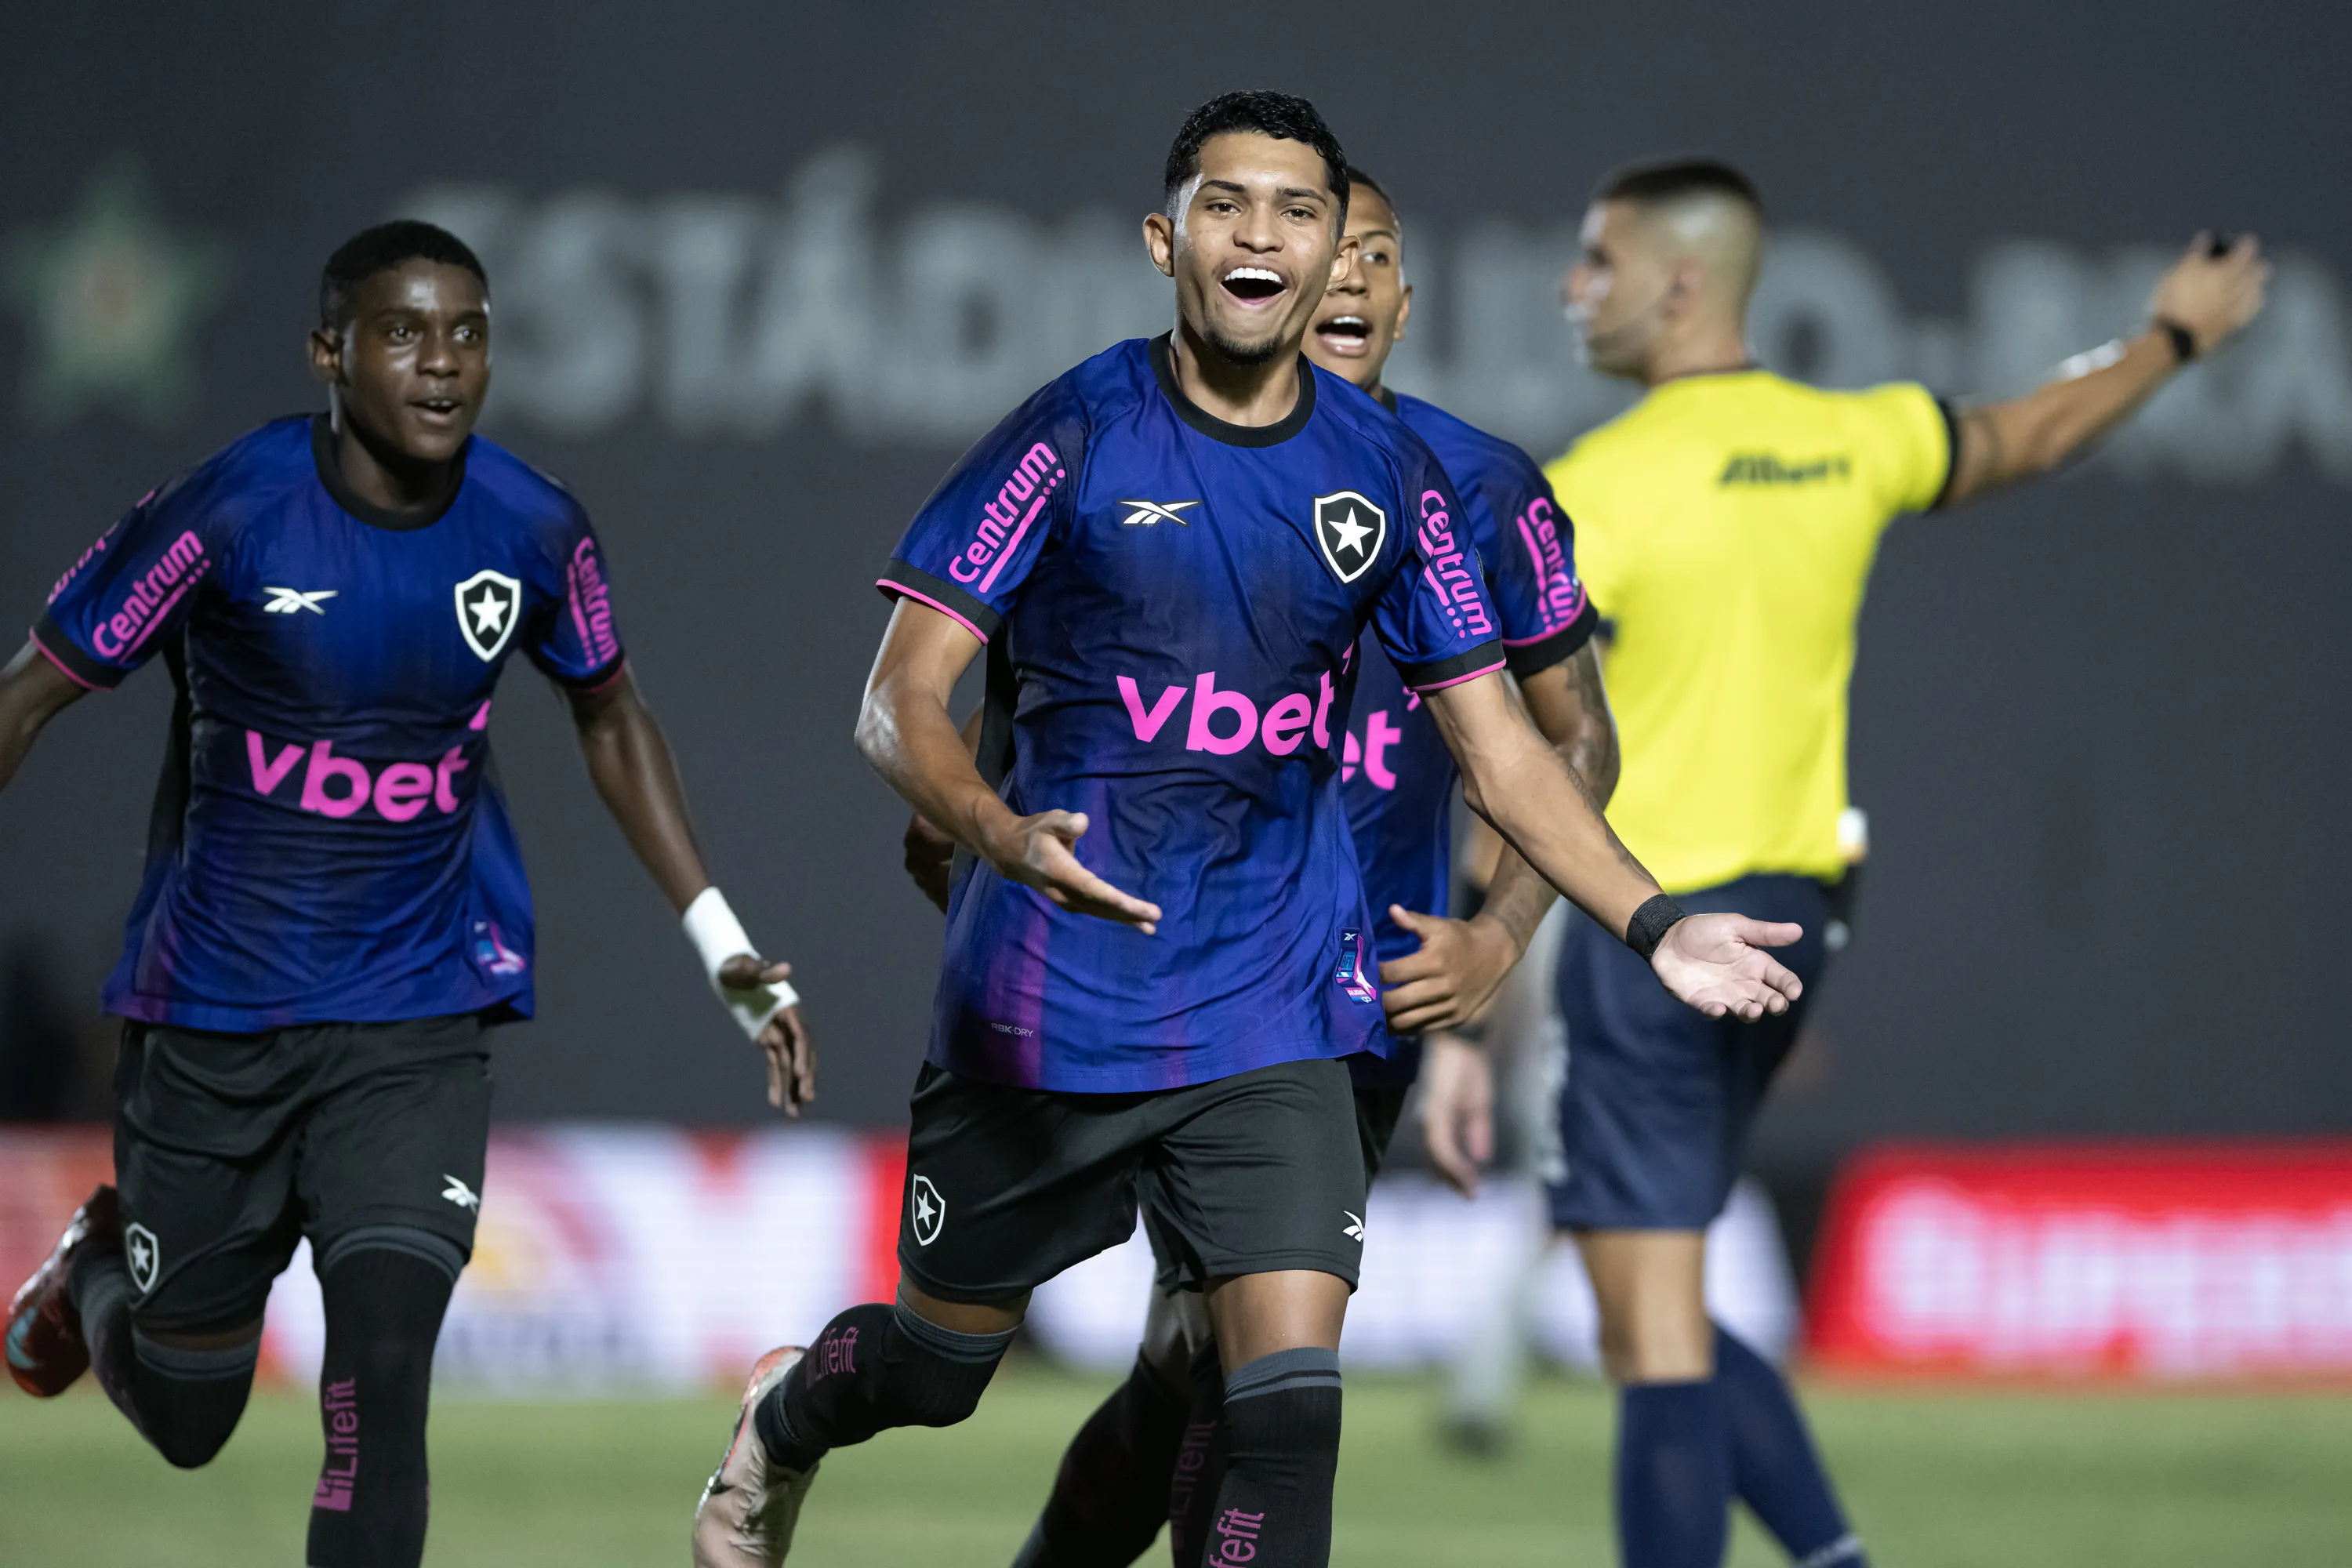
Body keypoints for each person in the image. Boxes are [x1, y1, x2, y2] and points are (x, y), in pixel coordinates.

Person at [690, 95, 1805, 1568]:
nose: (1264, 238)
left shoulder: (1399, 480)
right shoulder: (1075, 431)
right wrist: (991, 826)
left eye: (1300, 213)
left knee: (1278, 1408)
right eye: (1227, 206)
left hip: (1279, 1004)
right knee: (938, 1368)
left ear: (1347, 254)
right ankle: (786, 1416)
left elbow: (1509, 752)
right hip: (1054, 996)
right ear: (1168, 242)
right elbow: (898, 702)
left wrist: (1652, 922)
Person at [1420, 158, 2269, 1568]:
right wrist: (2171, 338)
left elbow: (1516, 760)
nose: (1573, 287)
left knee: (1651, 1333)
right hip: (1798, 922)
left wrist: (1469, 997)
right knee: (1655, 1310)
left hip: (1659, 938)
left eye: (1596, 260)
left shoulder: (1594, 492)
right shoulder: (1852, 439)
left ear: (1679, 283)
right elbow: (2034, 431)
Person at [0, 221, 811, 1568]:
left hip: (415, 1019)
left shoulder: (534, 526)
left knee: (381, 1380)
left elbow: (612, 716)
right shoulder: (229, 511)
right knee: (191, 1416)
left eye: (468, 333)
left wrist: (720, 939)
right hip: (213, 1022)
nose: (442, 363)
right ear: (329, 354)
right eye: (402, 332)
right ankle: (97, 1261)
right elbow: (32, 695)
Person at [890, 165, 1617, 1568]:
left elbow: (1572, 742)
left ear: (1404, 296)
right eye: (1323, 252)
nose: (1341, 280)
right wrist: (985, 826)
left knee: (1207, 1366)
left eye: (1371, 256)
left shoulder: (1479, 489)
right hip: (1132, 969)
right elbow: (1038, 667)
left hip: (1346, 1000)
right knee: (1194, 1368)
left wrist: (1501, 932)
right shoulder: (1125, 444)